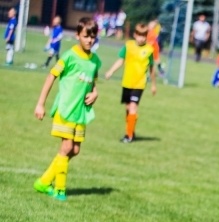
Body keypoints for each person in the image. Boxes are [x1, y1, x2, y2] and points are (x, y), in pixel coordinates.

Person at [32, 17, 101, 202]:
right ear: (78, 35)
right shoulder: (69, 56)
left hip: (81, 113)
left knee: (75, 150)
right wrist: (40, 103)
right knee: (67, 146)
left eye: (93, 37)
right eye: (86, 36)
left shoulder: (95, 61)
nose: (89, 40)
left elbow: (93, 83)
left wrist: (95, 94)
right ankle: (60, 190)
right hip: (66, 109)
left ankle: (44, 181)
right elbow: (51, 76)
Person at [104, 23, 156, 143]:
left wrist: (153, 85)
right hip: (127, 82)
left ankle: (128, 136)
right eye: (139, 35)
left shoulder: (149, 50)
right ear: (135, 35)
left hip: (139, 84)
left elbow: (152, 69)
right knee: (128, 108)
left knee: (133, 107)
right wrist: (111, 71)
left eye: (144, 36)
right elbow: (120, 60)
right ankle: (131, 130)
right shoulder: (128, 46)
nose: (141, 38)